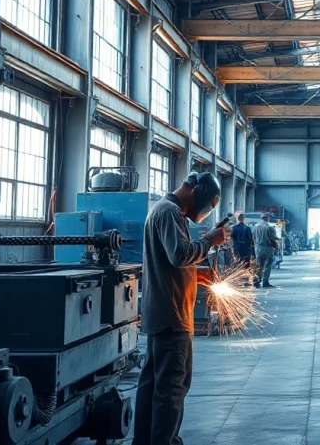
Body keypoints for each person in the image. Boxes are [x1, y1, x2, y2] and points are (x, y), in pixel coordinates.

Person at [134, 172, 231, 445]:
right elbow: (179, 255)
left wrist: (197, 275)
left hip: (162, 313)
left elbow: (171, 261)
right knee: (171, 389)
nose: (201, 212)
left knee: (152, 386)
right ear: (195, 190)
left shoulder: (165, 210)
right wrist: (211, 240)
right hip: (172, 316)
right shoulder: (170, 212)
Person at [253, 213, 279, 288]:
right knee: (268, 265)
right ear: (267, 218)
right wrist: (276, 245)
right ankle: (265, 282)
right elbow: (273, 238)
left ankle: (256, 282)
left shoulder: (255, 226)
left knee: (259, 265)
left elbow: (253, 237)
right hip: (267, 248)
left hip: (258, 248)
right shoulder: (269, 227)